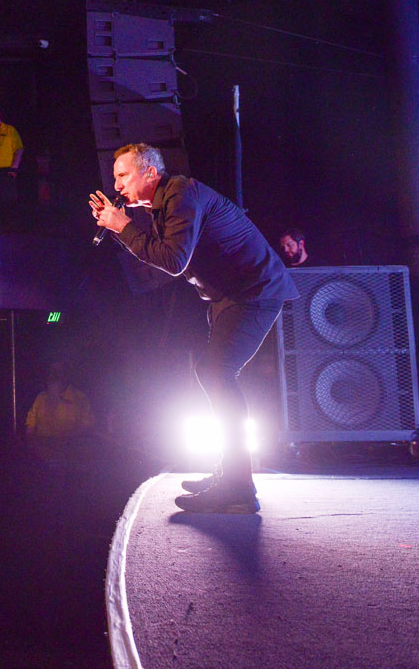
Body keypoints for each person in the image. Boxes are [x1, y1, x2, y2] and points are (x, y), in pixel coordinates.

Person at [90, 143, 298, 514]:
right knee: (215, 375)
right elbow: (165, 253)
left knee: (217, 373)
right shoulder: (168, 200)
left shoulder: (182, 195)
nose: (117, 185)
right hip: (229, 296)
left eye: (123, 175)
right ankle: (228, 477)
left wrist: (122, 227)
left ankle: (238, 489)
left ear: (149, 173)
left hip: (253, 292)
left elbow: (171, 260)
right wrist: (124, 227)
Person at [24, 360, 94, 438]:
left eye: (57, 371)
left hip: (69, 448)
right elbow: (30, 426)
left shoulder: (80, 398)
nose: (52, 375)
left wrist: (66, 439)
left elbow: (87, 427)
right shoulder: (40, 398)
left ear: (66, 374)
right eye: (51, 371)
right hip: (40, 448)